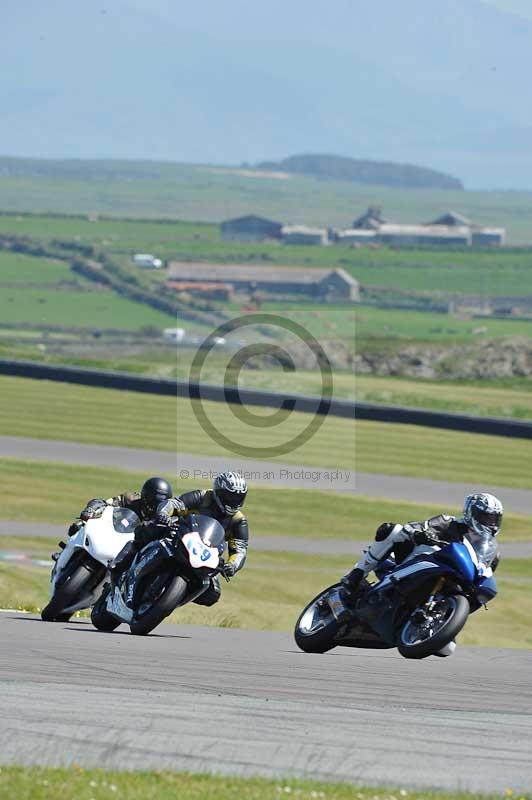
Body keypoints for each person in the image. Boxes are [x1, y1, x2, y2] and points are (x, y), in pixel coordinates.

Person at [342, 492, 503, 599]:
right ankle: (356, 575)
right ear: (471, 513)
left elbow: (483, 572)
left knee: (447, 649)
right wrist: (420, 533)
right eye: (486, 518)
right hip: (415, 559)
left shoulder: (492, 551)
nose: (491, 523)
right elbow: (418, 526)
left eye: (494, 519)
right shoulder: (449, 522)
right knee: (393, 530)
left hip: (451, 580)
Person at [153, 471, 249, 607]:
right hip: (179, 538)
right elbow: (175, 503)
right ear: (218, 492)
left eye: (238, 498)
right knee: (149, 530)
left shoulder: (238, 521)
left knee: (212, 594)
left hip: (205, 556)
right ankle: (121, 564)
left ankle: (171, 600)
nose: (233, 501)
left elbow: (240, 550)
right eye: (229, 496)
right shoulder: (203, 497)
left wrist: (232, 565)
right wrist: (163, 513)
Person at [68, 477, 173, 537]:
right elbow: (103, 503)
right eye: (152, 501)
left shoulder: (164, 518)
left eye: (160, 504)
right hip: (111, 531)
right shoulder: (131, 499)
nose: (155, 506)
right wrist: (91, 510)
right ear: (144, 496)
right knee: (79, 526)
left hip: (130, 547)